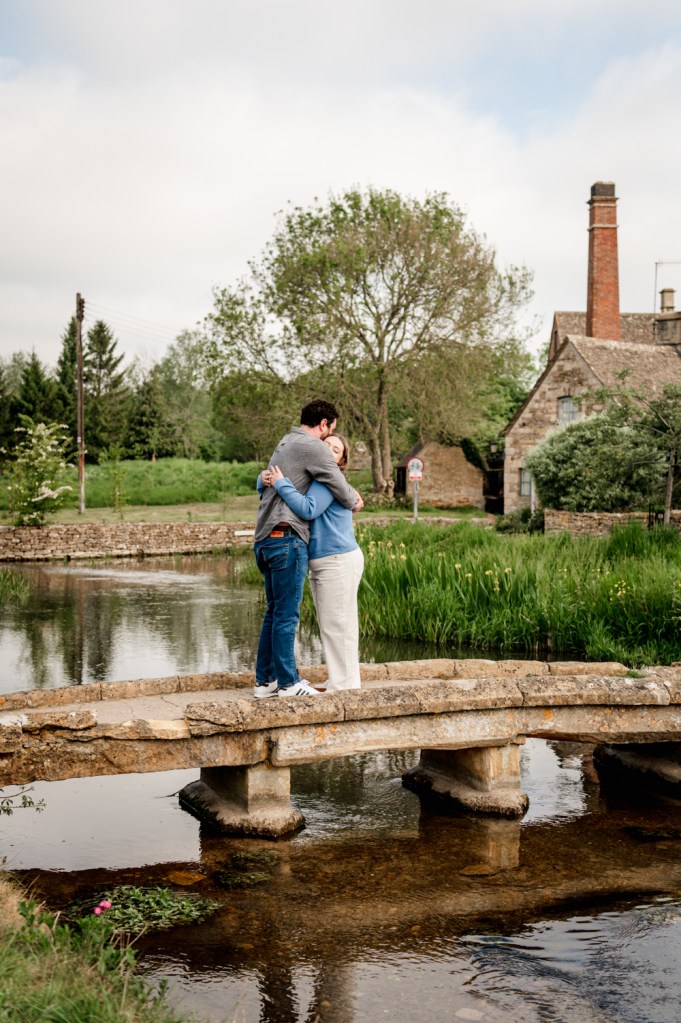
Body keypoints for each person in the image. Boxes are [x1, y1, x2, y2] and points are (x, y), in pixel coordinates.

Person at [253, 400, 363, 699]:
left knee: (328, 622)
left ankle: (336, 685)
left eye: (336, 449)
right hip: (292, 543)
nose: (327, 450)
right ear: (324, 424)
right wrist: (267, 481)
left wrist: (352, 496)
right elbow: (277, 485)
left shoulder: (287, 442)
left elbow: (313, 503)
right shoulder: (311, 451)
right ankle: (285, 682)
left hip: (329, 554)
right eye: (329, 439)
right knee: (289, 616)